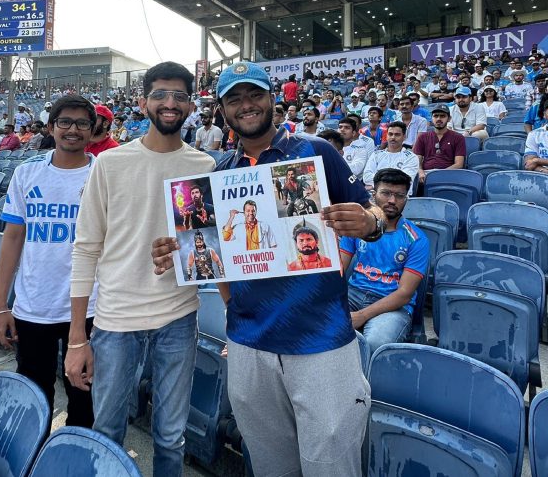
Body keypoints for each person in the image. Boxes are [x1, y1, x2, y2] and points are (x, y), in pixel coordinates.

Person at [151, 60, 381, 477]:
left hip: (321, 339)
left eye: (255, 94)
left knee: (331, 466)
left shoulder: (317, 152)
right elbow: (211, 258)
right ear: (222, 110)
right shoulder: (218, 173)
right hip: (248, 344)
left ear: (274, 100)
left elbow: (374, 213)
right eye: (234, 99)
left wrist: (370, 222)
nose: (247, 105)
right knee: (272, 467)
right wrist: (180, 252)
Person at [64, 62, 215, 475]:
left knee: (170, 438)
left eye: (180, 96)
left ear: (190, 105)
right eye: (162, 95)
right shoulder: (111, 165)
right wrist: (78, 338)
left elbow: (206, 250)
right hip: (116, 321)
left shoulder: (204, 166)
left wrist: (183, 254)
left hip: (179, 318)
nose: (170, 104)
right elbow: (86, 249)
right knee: (107, 431)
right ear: (144, 101)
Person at [0, 94, 97, 428]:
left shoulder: (102, 174)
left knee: (84, 398)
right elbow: (12, 239)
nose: (73, 129)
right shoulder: (27, 173)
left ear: (93, 131)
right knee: (33, 400)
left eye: (82, 123)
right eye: (65, 122)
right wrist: (0, 304)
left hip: (92, 306)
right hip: (35, 305)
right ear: (51, 127)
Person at [340, 168, 429, 359]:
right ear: (374, 194)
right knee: (323, 327)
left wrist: (363, 316)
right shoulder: (357, 228)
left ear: (407, 199)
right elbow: (338, 269)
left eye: (399, 195)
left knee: (375, 345)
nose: (392, 200)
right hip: (353, 294)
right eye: (386, 193)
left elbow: (404, 294)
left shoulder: (416, 239)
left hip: (392, 305)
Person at [362, 121, 420, 195]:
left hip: (400, 196)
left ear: (404, 137)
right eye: (390, 134)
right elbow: (366, 177)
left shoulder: (411, 157)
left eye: (397, 135)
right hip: (376, 196)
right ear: (386, 136)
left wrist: (374, 184)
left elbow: (404, 180)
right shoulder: (376, 154)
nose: (393, 137)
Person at [412, 106, 466, 185]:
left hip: (448, 174)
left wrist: (439, 175)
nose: (438, 119)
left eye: (442, 116)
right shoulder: (423, 137)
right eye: (436, 116)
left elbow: (459, 164)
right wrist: (420, 171)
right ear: (432, 118)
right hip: (425, 175)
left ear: (449, 119)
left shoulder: (458, 137)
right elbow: (417, 160)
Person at [524, 104, 548, 173]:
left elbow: (533, 161)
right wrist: (545, 171)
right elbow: (529, 165)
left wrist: (537, 160)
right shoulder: (534, 135)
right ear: (544, 114)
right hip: (541, 176)